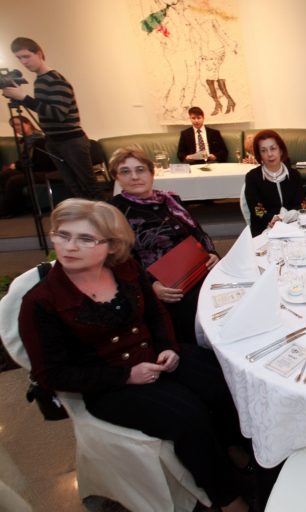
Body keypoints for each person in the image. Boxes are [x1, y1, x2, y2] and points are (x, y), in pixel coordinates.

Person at [19, 199, 258, 512]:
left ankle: (235, 449)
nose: (70, 246)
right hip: (108, 383)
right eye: (63, 235)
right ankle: (228, 499)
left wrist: (168, 347)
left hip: (156, 354)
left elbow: (156, 314)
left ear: (111, 244)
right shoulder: (40, 302)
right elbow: (51, 374)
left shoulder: (125, 268)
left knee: (224, 379)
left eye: (86, 239)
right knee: (188, 417)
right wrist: (126, 376)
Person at [107, 146, 219, 344]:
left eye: (140, 170)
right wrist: (151, 286)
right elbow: (119, 260)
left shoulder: (170, 199)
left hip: (197, 269)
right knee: (201, 316)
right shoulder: (114, 211)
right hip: (165, 285)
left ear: (151, 173)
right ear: (117, 177)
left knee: (232, 295)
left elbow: (198, 232)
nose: (134, 177)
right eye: (125, 171)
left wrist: (212, 253)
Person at [1, 37, 99, 199]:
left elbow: (58, 114)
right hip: (54, 141)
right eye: (19, 58)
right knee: (73, 188)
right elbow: (45, 111)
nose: (23, 62)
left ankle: (104, 215)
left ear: (39, 54)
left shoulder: (54, 79)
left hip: (70, 141)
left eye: (26, 56)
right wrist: (21, 98)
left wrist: (24, 98)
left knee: (89, 187)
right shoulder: (40, 81)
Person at [244, 129, 306, 236]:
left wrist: (282, 218)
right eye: (263, 151)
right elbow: (257, 211)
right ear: (259, 154)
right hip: (264, 228)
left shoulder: (294, 175)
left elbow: (302, 205)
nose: (269, 154)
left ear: (280, 150)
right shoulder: (252, 177)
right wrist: (273, 219)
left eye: (273, 148)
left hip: (293, 226)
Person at [0, 115, 55, 218]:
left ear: (28, 123)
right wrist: (15, 165)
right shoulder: (27, 140)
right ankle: (17, 208)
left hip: (45, 171)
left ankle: (5, 211)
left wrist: (17, 166)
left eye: (17, 124)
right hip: (33, 169)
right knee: (5, 174)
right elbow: (25, 159)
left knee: (14, 180)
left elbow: (41, 164)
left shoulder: (40, 139)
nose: (16, 128)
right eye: (13, 126)